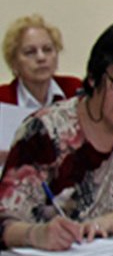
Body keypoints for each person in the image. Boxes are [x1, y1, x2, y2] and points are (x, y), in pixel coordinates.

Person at [0, 18, 113, 251]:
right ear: (93, 77)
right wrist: (36, 235)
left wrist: (107, 223)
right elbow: (4, 221)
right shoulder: (44, 131)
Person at [1, 15, 83, 163]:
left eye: (47, 50)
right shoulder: (2, 98)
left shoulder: (74, 89)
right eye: (30, 52)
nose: (41, 58)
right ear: (14, 63)